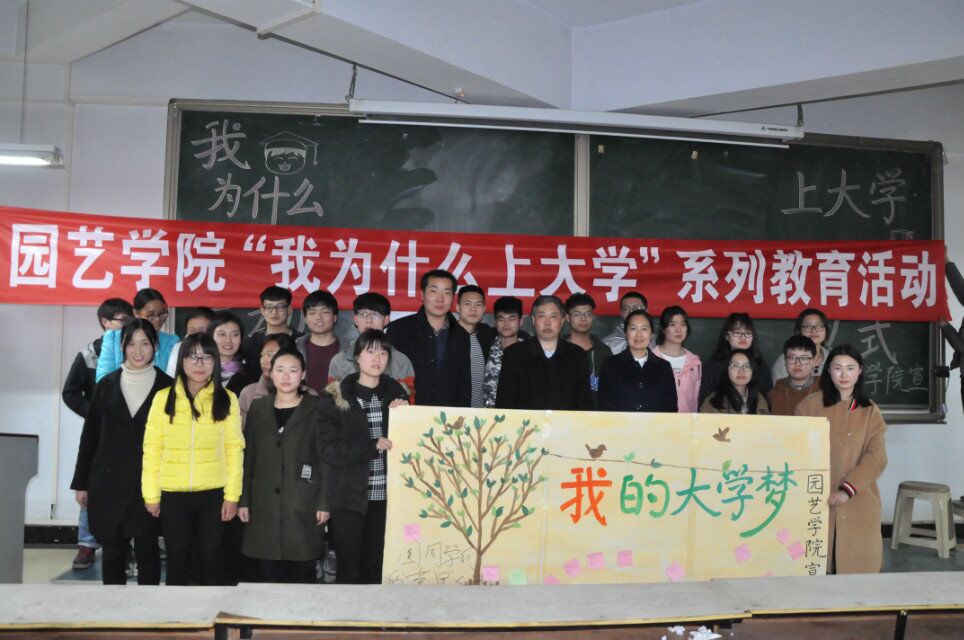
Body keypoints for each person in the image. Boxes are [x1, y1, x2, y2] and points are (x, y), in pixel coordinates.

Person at [71, 319, 171, 584]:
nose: (138, 351)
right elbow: (90, 437)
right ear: (122, 347)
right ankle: (113, 607)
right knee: (113, 552)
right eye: (131, 344)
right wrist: (81, 484)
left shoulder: (169, 387)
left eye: (145, 343)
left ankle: (149, 609)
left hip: (150, 484)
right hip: (108, 482)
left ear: (155, 346)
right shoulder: (106, 385)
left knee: (148, 549)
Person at [142, 333, 244, 586]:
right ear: (182, 361)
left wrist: (232, 496)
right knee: (177, 562)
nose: (199, 364)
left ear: (216, 361)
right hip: (173, 494)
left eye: (207, 357)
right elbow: (152, 449)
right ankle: (178, 612)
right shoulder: (163, 398)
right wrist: (151, 495)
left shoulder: (227, 399)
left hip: (214, 495)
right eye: (192, 357)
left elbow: (234, 450)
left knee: (211, 561)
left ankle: (212, 612)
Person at [316, 330, 409, 583]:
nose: (377, 358)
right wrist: (370, 447)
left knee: (378, 566)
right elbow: (327, 449)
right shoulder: (336, 397)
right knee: (349, 568)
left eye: (383, 353)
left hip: (388, 497)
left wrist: (405, 417)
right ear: (357, 357)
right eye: (370, 351)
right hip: (349, 498)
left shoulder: (398, 395)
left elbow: (410, 444)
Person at [239, 348, 327, 583]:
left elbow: (325, 459)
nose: (286, 376)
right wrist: (244, 500)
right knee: (267, 576)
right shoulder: (258, 408)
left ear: (303, 374)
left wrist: (324, 502)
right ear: (270, 373)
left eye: (293, 370)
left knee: (302, 576)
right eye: (280, 370)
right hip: (263, 504)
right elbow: (249, 456)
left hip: (303, 502)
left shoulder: (318, 407)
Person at [796, 345, 887, 574]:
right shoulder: (809, 405)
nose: (844, 374)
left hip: (858, 499)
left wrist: (847, 489)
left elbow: (877, 457)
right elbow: (795, 449)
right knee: (813, 568)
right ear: (828, 370)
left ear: (860, 371)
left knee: (855, 572)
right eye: (838, 368)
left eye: (850, 368)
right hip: (816, 498)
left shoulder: (870, 411)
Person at [62, 297, 132, 570]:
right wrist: (95, 413)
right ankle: (87, 544)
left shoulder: (135, 350)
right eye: (122, 320)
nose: (128, 324)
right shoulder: (89, 354)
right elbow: (70, 392)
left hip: (131, 432)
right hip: (100, 432)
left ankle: (125, 544)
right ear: (105, 322)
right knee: (92, 484)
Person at [387, 269, 471, 407]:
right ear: (422, 295)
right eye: (434, 291)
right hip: (407, 410)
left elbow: (464, 384)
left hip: (447, 415)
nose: (440, 298)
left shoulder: (461, 335)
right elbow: (387, 375)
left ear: (452, 297)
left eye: (446, 292)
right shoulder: (399, 329)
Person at [496, 295, 593, 410]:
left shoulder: (577, 355)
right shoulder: (514, 354)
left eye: (553, 317)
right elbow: (504, 402)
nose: (547, 323)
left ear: (562, 321)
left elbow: (584, 403)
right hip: (525, 421)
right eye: (542, 316)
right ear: (533, 320)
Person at [329, 292, 415, 392]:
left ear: (386, 320)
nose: (369, 320)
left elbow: (409, 399)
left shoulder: (400, 361)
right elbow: (331, 398)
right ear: (355, 319)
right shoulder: (339, 361)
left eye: (375, 315)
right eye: (363, 314)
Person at [598, 309, 677, 412]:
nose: (639, 335)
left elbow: (670, 407)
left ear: (651, 334)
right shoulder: (611, 365)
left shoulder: (663, 367)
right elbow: (605, 404)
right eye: (633, 328)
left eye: (644, 329)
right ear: (625, 333)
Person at [96, 288, 180, 381]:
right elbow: (102, 379)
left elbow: (171, 380)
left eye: (162, 313)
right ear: (136, 313)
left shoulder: (171, 342)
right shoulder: (114, 338)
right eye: (151, 315)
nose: (158, 319)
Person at [698, 313, 772, 406]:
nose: (743, 337)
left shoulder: (760, 366)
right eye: (737, 333)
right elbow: (704, 402)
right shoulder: (713, 367)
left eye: (747, 333)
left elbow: (768, 401)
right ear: (726, 336)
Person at [240, 286, 304, 380]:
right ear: (262, 310)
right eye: (269, 307)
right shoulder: (250, 344)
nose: (274, 312)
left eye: (280, 307)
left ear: (289, 310)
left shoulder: (302, 342)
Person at [565, 293, 613, 409]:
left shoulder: (603, 352)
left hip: (596, 416)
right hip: (563, 415)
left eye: (588, 314)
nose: (583, 318)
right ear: (567, 317)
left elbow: (610, 390)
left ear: (593, 317)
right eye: (577, 314)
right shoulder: (558, 349)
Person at [651, 305, 702, 413]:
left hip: (686, 421)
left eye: (683, 324)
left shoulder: (694, 362)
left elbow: (695, 399)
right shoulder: (651, 359)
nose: (679, 329)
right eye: (673, 324)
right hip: (658, 421)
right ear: (663, 329)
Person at [238, 333, 298, 422]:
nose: (263, 360)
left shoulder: (308, 395)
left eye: (270, 355)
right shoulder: (249, 393)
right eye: (262, 355)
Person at [482, 296, 528, 408]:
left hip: (519, 414)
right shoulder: (485, 346)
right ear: (495, 322)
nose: (506, 324)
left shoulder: (529, 351)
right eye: (501, 319)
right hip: (485, 414)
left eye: (511, 319)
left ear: (521, 321)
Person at [457, 285, 496, 408]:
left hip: (480, 413)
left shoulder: (487, 335)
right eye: (467, 304)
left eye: (478, 304)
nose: (473, 309)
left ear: (484, 309)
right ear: (458, 307)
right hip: (453, 412)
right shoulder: (447, 337)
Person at [296, 290, 341, 394]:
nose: (318, 317)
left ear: (335, 317)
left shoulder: (349, 350)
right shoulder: (294, 348)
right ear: (305, 319)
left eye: (325, 312)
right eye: (312, 313)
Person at [699, 349, 770, 414]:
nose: (741, 371)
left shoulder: (761, 400)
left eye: (747, 366)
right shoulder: (713, 401)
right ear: (727, 370)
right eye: (735, 365)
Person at [771, 308, 832, 381]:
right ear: (799, 331)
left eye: (819, 325)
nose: (814, 330)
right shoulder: (786, 360)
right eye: (808, 326)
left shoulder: (833, 358)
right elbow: (779, 387)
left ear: (826, 330)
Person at [769, 336, 821, 416]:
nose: (797, 363)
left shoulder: (824, 389)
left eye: (804, 358)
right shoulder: (776, 391)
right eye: (792, 358)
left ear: (814, 362)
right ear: (785, 361)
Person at [208, 311, 256, 396]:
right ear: (210, 337)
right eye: (222, 334)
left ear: (240, 339)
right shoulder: (200, 368)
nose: (228, 340)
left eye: (235, 335)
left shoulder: (251, 372)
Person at [165, 307, 215, 377]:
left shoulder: (219, 347)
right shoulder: (178, 348)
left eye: (202, 331)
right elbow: (171, 376)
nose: (197, 335)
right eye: (192, 331)